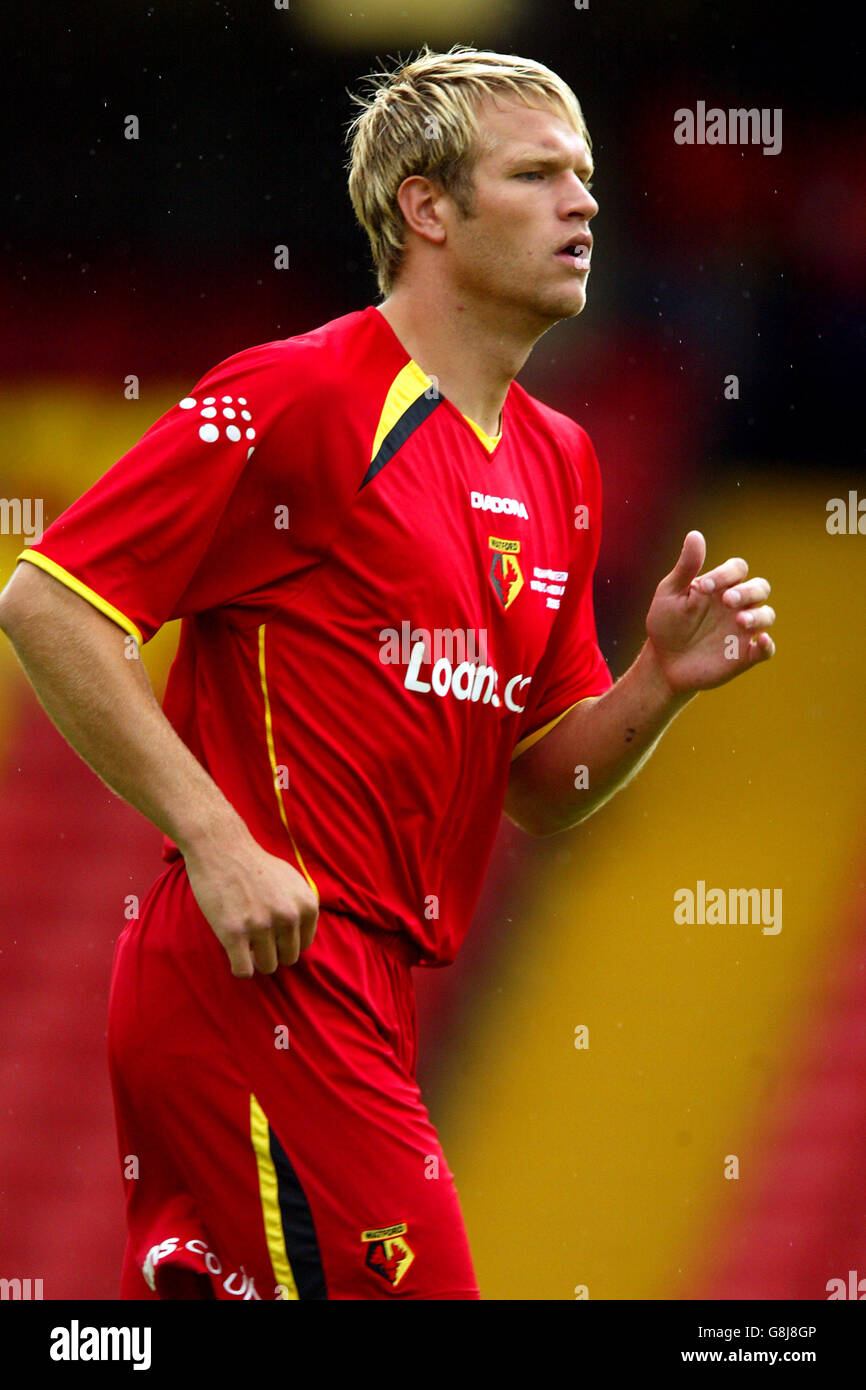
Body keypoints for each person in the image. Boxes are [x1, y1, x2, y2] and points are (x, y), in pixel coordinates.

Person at [0, 44, 775, 1301]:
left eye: (583, 175)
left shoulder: (559, 463)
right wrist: (217, 836)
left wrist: (655, 686)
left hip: (371, 994)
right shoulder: (299, 394)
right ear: (426, 207)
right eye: (535, 174)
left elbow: (539, 782)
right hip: (261, 976)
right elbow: (48, 603)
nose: (584, 201)